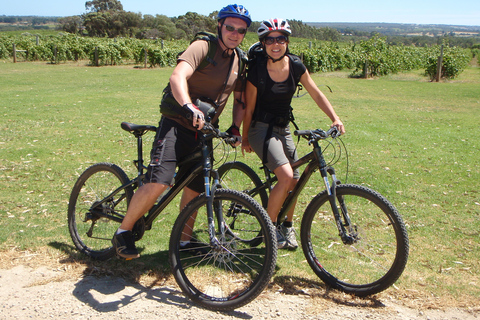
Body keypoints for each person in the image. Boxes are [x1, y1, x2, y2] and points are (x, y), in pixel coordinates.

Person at [112, 4, 252, 259]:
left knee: (195, 188)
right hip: (177, 123)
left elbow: (240, 99)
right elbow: (178, 76)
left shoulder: (239, 60)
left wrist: (235, 127)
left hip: (205, 130)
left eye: (241, 30)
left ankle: (184, 243)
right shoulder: (203, 46)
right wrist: (188, 106)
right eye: (230, 27)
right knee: (159, 182)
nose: (234, 33)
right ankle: (123, 231)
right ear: (220, 26)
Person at [241, 18, 345, 249]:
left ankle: (287, 228)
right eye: (270, 40)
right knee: (286, 177)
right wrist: (245, 137)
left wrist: (334, 118)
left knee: (296, 180)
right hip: (261, 130)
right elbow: (249, 108)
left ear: (287, 41)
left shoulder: (296, 66)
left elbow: (317, 93)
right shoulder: (257, 71)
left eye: (280, 39)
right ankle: (270, 230)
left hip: (283, 128)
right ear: (263, 43)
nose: (275, 44)